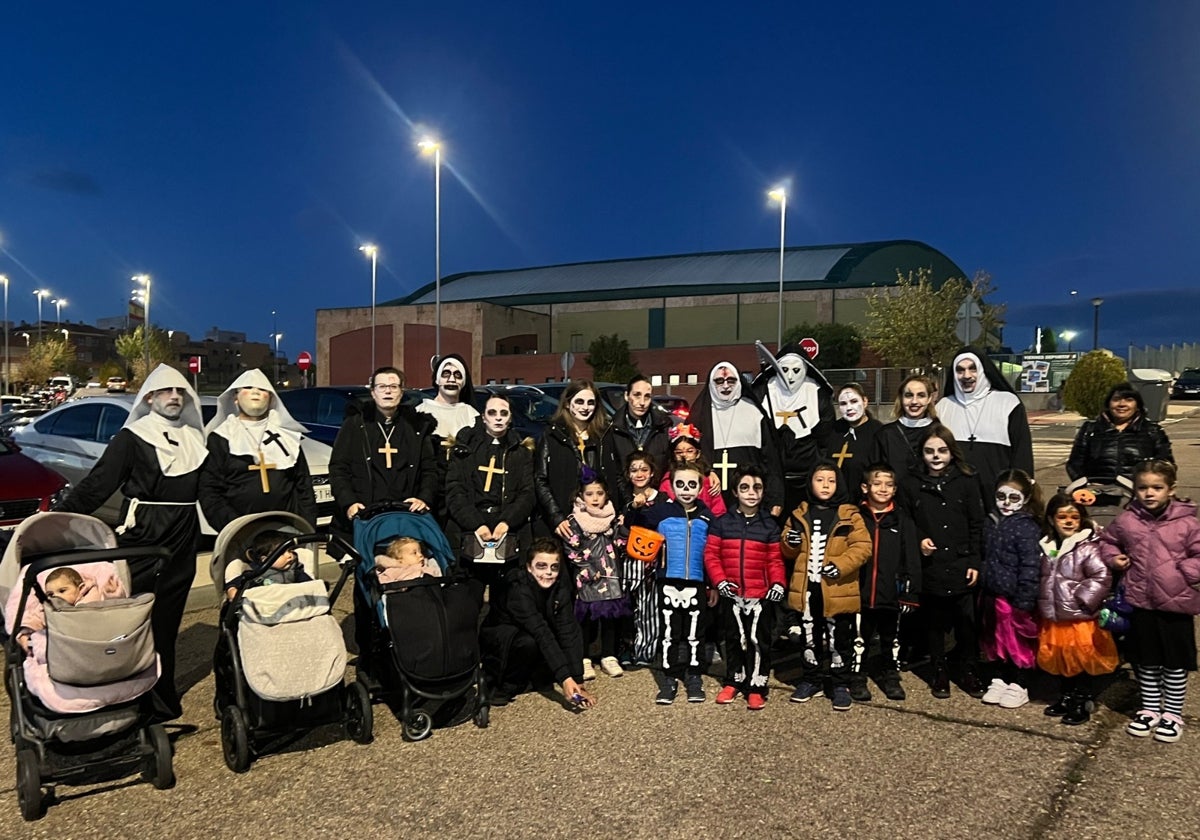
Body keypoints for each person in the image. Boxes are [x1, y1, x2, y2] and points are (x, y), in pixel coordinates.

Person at [55, 364, 207, 721]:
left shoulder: (194, 438)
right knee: (132, 619)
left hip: (183, 533)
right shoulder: (131, 438)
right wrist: (57, 520)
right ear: (149, 398)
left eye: (180, 391)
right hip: (144, 533)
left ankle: (161, 699)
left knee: (167, 622)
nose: (174, 397)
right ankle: (124, 696)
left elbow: (211, 491)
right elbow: (97, 485)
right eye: (166, 391)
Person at [329, 365, 437, 670]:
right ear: (372, 390)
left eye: (394, 385)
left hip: (405, 522)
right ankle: (370, 654)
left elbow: (429, 469)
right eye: (382, 386)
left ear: (402, 390)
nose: (388, 390)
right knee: (367, 589)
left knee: (408, 584)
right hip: (366, 521)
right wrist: (349, 502)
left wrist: (424, 497)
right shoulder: (355, 425)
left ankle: (409, 650)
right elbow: (338, 469)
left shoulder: (416, 426)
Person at [1099, 460, 1200, 744]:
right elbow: (1108, 541)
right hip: (1140, 601)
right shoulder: (1128, 520)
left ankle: (1173, 713)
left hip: (1176, 605)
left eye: (1157, 487)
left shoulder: (1188, 523)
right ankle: (1150, 708)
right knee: (1146, 660)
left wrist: (1184, 572)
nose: (1149, 493)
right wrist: (1114, 558)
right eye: (1143, 487)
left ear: (1171, 489)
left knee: (1175, 663)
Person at [902, 422, 987, 700]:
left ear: (952, 452)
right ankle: (938, 669)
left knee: (966, 623)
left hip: (961, 561)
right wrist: (919, 539)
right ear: (921, 454)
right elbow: (907, 521)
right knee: (935, 623)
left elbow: (976, 522)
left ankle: (968, 669)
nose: (936, 456)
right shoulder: (912, 483)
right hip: (932, 565)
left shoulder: (966, 480)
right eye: (929, 451)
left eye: (942, 450)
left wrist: (974, 559)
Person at [781, 462, 871, 712]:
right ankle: (811, 679)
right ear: (810, 482)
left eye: (831, 481)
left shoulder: (849, 514)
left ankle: (840, 683)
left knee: (839, 637)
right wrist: (790, 541)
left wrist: (840, 565)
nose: (825, 485)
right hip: (807, 588)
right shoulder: (799, 513)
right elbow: (787, 549)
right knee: (809, 636)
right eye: (820, 480)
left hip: (837, 589)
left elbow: (863, 547)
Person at [632, 459, 715, 704]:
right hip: (667, 581)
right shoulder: (661, 512)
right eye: (680, 484)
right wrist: (635, 508)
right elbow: (634, 526)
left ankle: (694, 676)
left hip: (697, 583)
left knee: (694, 634)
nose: (686, 489)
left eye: (692, 484)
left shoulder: (706, 516)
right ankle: (669, 677)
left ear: (700, 487)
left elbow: (712, 552)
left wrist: (711, 584)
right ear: (671, 486)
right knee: (669, 633)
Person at [703, 466, 786, 710]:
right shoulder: (722, 523)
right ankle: (734, 680)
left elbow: (775, 560)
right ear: (735, 492)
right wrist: (719, 581)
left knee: (759, 640)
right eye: (745, 487)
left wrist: (778, 583)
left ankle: (757, 686)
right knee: (734, 639)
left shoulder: (769, 525)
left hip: (759, 595)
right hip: (732, 594)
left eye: (757, 488)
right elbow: (711, 554)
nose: (751, 493)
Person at [479, 538, 595, 709]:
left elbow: (568, 630)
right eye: (541, 566)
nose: (548, 572)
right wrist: (565, 678)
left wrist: (577, 681)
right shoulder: (517, 589)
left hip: (532, 633)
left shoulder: (559, 588)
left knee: (565, 630)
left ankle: (535, 677)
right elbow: (540, 632)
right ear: (528, 567)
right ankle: (506, 686)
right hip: (502, 640)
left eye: (553, 567)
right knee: (529, 642)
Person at [200, 369, 317, 532]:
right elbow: (210, 491)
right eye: (248, 387)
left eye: (262, 389)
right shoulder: (221, 437)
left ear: (271, 398)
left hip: (285, 528)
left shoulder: (288, 437)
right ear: (235, 397)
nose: (255, 392)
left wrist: (306, 527)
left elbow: (303, 487)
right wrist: (235, 527)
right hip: (239, 530)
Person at [1037, 494, 1118, 726]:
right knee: (1061, 660)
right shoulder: (1047, 546)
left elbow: (1101, 576)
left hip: (1079, 617)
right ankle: (1066, 696)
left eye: (1074, 516)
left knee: (1080, 661)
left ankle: (1082, 700)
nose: (1069, 521)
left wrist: (1082, 599)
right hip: (1055, 617)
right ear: (1052, 520)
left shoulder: (1087, 547)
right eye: (1062, 516)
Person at [444, 394, 536, 598]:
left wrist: (506, 522)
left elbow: (527, 493)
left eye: (504, 413)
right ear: (483, 417)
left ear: (511, 418)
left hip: (506, 527)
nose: (498, 418)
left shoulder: (521, 453)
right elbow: (455, 490)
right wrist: (476, 524)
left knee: (507, 600)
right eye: (492, 413)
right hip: (472, 527)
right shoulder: (465, 449)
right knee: (466, 599)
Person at [978, 469, 1045, 710]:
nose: (1006, 503)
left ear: (1026, 499)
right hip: (993, 592)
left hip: (1015, 597)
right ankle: (1001, 677)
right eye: (1001, 497)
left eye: (1014, 498)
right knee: (995, 640)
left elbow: (1030, 565)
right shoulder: (991, 521)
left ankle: (1020, 682)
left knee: (1017, 642)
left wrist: (1025, 599)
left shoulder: (1027, 527)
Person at [854, 463, 921, 702]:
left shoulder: (902, 520)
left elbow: (912, 559)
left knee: (890, 639)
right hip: (861, 593)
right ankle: (858, 676)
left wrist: (910, 594)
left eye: (889, 485)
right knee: (859, 638)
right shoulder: (855, 517)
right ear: (865, 487)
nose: (883, 489)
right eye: (877, 483)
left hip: (891, 594)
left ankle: (890, 675)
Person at [1065, 382, 1174, 523]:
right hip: (1095, 495)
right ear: (1108, 404)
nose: (1122, 404)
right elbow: (1074, 463)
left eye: (1129, 400)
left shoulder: (1152, 431)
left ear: (1137, 404)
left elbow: (1166, 465)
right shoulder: (1090, 430)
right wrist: (1084, 484)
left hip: (1138, 496)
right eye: (1116, 400)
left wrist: (1145, 486)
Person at [936, 347, 1033, 497]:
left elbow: (1022, 451)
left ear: (983, 370)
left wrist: (1022, 488)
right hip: (954, 495)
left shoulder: (1007, 402)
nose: (966, 375)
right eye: (960, 370)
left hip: (997, 495)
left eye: (972, 369)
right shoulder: (943, 406)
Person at [691, 361, 784, 515]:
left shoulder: (754, 413)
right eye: (719, 381)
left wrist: (776, 498)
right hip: (710, 500)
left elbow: (771, 460)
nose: (725, 386)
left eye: (731, 381)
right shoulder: (699, 415)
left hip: (749, 499)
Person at [750, 342, 834, 514]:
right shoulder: (764, 391)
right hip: (770, 478)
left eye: (796, 370)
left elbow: (824, 437)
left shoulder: (816, 394)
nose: (789, 376)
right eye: (784, 369)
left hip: (807, 477)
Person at [564, 472, 629, 679]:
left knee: (610, 616)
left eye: (599, 493)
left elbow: (620, 542)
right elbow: (571, 548)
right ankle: (584, 658)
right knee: (586, 618)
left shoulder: (612, 517)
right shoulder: (576, 520)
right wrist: (587, 569)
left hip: (611, 573)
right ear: (581, 495)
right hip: (588, 574)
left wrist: (623, 530)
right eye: (589, 493)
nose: (594, 498)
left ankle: (609, 655)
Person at [534, 379, 608, 539]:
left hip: (596, 521)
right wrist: (556, 517)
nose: (585, 407)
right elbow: (541, 480)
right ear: (568, 404)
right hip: (563, 521)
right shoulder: (552, 435)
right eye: (579, 401)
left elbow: (612, 477)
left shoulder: (602, 437)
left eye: (590, 402)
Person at [416, 354, 480, 523]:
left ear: (463, 382)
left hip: (462, 493)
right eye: (446, 374)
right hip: (430, 493)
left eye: (457, 375)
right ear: (437, 380)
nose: (451, 379)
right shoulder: (420, 412)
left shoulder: (472, 415)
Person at [599, 375, 673, 511]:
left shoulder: (663, 426)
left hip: (657, 501)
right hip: (625, 504)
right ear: (627, 396)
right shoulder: (613, 429)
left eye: (647, 396)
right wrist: (629, 503)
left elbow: (669, 464)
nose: (642, 402)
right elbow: (615, 472)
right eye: (637, 395)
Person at [13, 567, 126, 654]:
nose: (55, 596)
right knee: (43, 643)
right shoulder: (49, 606)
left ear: (80, 588)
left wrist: (112, 594)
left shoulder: (92, 597)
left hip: (94, 639)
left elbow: (111, 608)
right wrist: (26, 632)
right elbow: (36, 618)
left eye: (62, 591)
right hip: (65, 644)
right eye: (50, 594)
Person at [619, 450, 662, 666]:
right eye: (634, 470)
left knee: (648, 606)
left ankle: (646, 649)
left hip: (650, 562)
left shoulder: (661, 499)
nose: (639, 474)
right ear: (628, 474)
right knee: (627, 605)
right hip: (628, 560)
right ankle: (626, 647)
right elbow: (624, 526)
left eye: (644, 469)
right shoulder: (625, 499)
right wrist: (633, 507)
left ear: (652, 472)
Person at [820, 383, 882, 505]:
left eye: (854, 401)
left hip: (864, 503)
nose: (849, 408)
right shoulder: (833, 430)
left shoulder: (879, 432)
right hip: (833, 501)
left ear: (865, 402)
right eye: (843, 404)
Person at [873, 374, 939, 487]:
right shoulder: (885, 434)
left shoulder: (939, 432)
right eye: (909, 395)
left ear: (929, 399)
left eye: (921, 395)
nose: (914, 401)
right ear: (901, 398)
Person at [657, 424, 726, 516]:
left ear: (698, 453)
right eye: (679, 452)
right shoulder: (667, 481)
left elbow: (719, 512)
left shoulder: (709, 480)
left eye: (690, 451)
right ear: (673, 455)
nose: (684, 455)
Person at [224, 529, 312, 600]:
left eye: (289, 551)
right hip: (263, 606)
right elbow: (237, 582)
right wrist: (232, 589)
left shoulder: (295, 571)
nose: (289, 555)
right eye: (281, 553)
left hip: (290, 604)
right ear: (265, 559)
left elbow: (309, 585)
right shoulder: (255, 573)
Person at [375, 536, 443, 584]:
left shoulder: (427, 565)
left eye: (420, 552)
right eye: (414, 553)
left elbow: (438, 576)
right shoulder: (394, 570)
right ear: (399, 559)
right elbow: (383, 582)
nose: (420, 555)